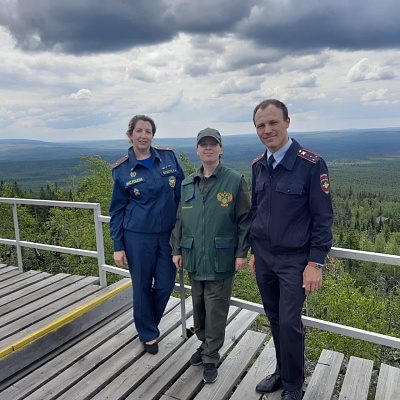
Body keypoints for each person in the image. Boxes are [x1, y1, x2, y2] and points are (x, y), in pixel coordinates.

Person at [249, 100, 333, 400]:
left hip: (295, 260)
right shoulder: (259, 165)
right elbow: (257, 212)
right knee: (273, 317)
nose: (267, 130)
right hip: (265, 256)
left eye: (273, 123)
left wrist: (315, 263)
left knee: (289, 323)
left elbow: (323, 219)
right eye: (261, 125)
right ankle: (282, 372)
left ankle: (294, 385)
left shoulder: (311, 164)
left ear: (287, 122)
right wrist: (255, 252)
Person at [170, 128, 251, 383]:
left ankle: (211, 357)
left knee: (216, 309)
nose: (208, 148)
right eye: (203, 145)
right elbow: (180, 220)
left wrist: (241, 253)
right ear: (197, 150)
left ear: (221, 149)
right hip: (194, 256)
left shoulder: (234, 180)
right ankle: (204, 345)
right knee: (199, 306)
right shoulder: (186, 184)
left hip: (221, 257)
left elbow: (245, 221)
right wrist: (177, 249)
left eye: (213, 144)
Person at [109, 115, 184, 354]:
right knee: (141, 286)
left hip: (168, 236)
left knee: (165, 284)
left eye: (148, 131)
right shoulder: (122, 170)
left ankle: (148, 323)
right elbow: (117, 210)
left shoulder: (168, 157)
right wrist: (118, 245)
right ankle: (148, 333)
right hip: (137, 237)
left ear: (153, 135)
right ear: (130, 135)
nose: (143, 135)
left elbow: (182, 194)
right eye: (139, 131)